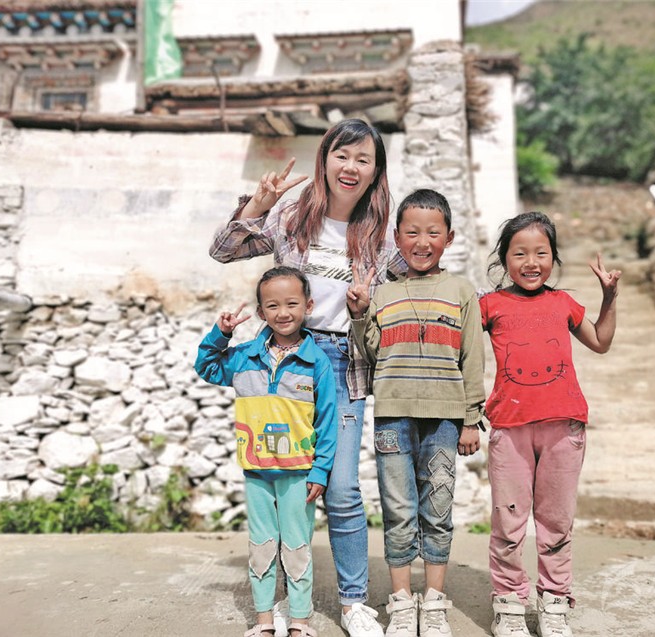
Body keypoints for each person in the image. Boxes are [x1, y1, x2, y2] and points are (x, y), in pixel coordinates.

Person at [209, 118, 403, 637]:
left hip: (343, 362)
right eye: (343, 155)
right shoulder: (292, 216)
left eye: (363, 159)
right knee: (281, 485)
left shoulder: (383, 236)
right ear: (325, 159)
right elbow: (223, 250)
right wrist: (257, 205)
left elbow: (414, 285)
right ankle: (280, 602)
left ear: (376, 171)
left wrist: (367, 312)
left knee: (340, 488)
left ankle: (354, 603)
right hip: (288, 356)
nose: (351, 167)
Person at [346, 189, 485, 637]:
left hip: (444, 419)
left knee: (438, 508)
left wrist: (471, 418)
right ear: (397, 237)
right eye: (411, 232)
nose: (422, 242)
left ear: (449, 237)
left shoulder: (461, 291)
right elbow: (371, 351)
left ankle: (435, 601)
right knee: (398, 509)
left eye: (432, 233)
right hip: (393, 415)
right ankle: (403, 603)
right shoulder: (384, 294)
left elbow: (473, 358)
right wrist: (359, 314)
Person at [480, 212, 621, 637]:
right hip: (510, 428)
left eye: (541, 253)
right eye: (519, 254)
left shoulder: (563, 304)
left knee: (556, 522)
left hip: (564, 428)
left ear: (553, 258)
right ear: (504, 258)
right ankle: (508, 604)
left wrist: (609, 297)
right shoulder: (489, 305)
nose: (531, 263)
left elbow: (601, 342)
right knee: (509, 523)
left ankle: (555, 603)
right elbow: (460, 347)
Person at [194, 266, 336, 637]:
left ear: (308, 306)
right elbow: (206, 366)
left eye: (292, 303)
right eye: (272, 305)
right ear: (261, 312)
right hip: (256, 471)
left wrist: (321, 470)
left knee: (297, 546)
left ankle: (300, 621)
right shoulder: (244, 357)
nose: (282, 312)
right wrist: (221, 334)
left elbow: (327, 421)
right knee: (261, 545)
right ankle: (263, 621)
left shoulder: (316, 362)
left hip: (299, 473)